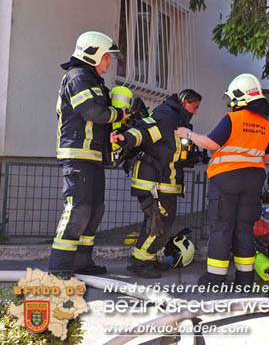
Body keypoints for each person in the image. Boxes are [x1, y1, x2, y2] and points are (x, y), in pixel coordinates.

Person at [176, 74, 269, 286]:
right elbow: (268, 156)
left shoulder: (232, 119)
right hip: (254, 181)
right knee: (244, 229)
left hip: (226, 180)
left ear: (239, 98)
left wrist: (187, 134)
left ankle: (216, 277)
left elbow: (211, 143)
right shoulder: (266, 125)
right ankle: (245, 278)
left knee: (221, 227)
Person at [49, 31, 128, 279]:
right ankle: (59, 267)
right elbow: (93, 111)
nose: (109, 63)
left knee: (95, 209)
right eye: (106, 57)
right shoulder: (77, 77)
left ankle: (82, 262)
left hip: (92, 156)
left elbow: (99, 120)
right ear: (92, 54)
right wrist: (119, 114)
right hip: (77, 154)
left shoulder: (92, 80)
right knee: (78, 209)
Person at [110, 89, 202, 278]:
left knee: (156, 223)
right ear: (185, 102)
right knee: (159, 224)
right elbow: (144, 132)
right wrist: (125, 139)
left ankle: (148, 258)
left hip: (161, 182)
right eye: (195, 107)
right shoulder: (167, 116)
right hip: (154, 183)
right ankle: (138, 263)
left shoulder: (176, 119)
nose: (196, 112)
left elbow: (170, 150)